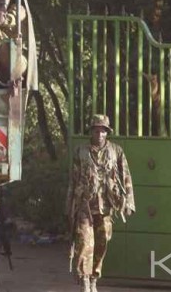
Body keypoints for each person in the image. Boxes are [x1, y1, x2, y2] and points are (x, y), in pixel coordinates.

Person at [66, 114, 134, 292]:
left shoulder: (116, 151)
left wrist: (129, 202)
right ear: (91, 132)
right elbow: (73, 180)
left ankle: (94, 278)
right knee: (84, 243)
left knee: (101, 243)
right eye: (96, 131)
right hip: (84, 206)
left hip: (106, 207)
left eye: (103, 131)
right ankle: (85, 282)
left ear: (107, 132)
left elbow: (126, 177)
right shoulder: (80, 151)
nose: (100, 134)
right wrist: (69, 206)